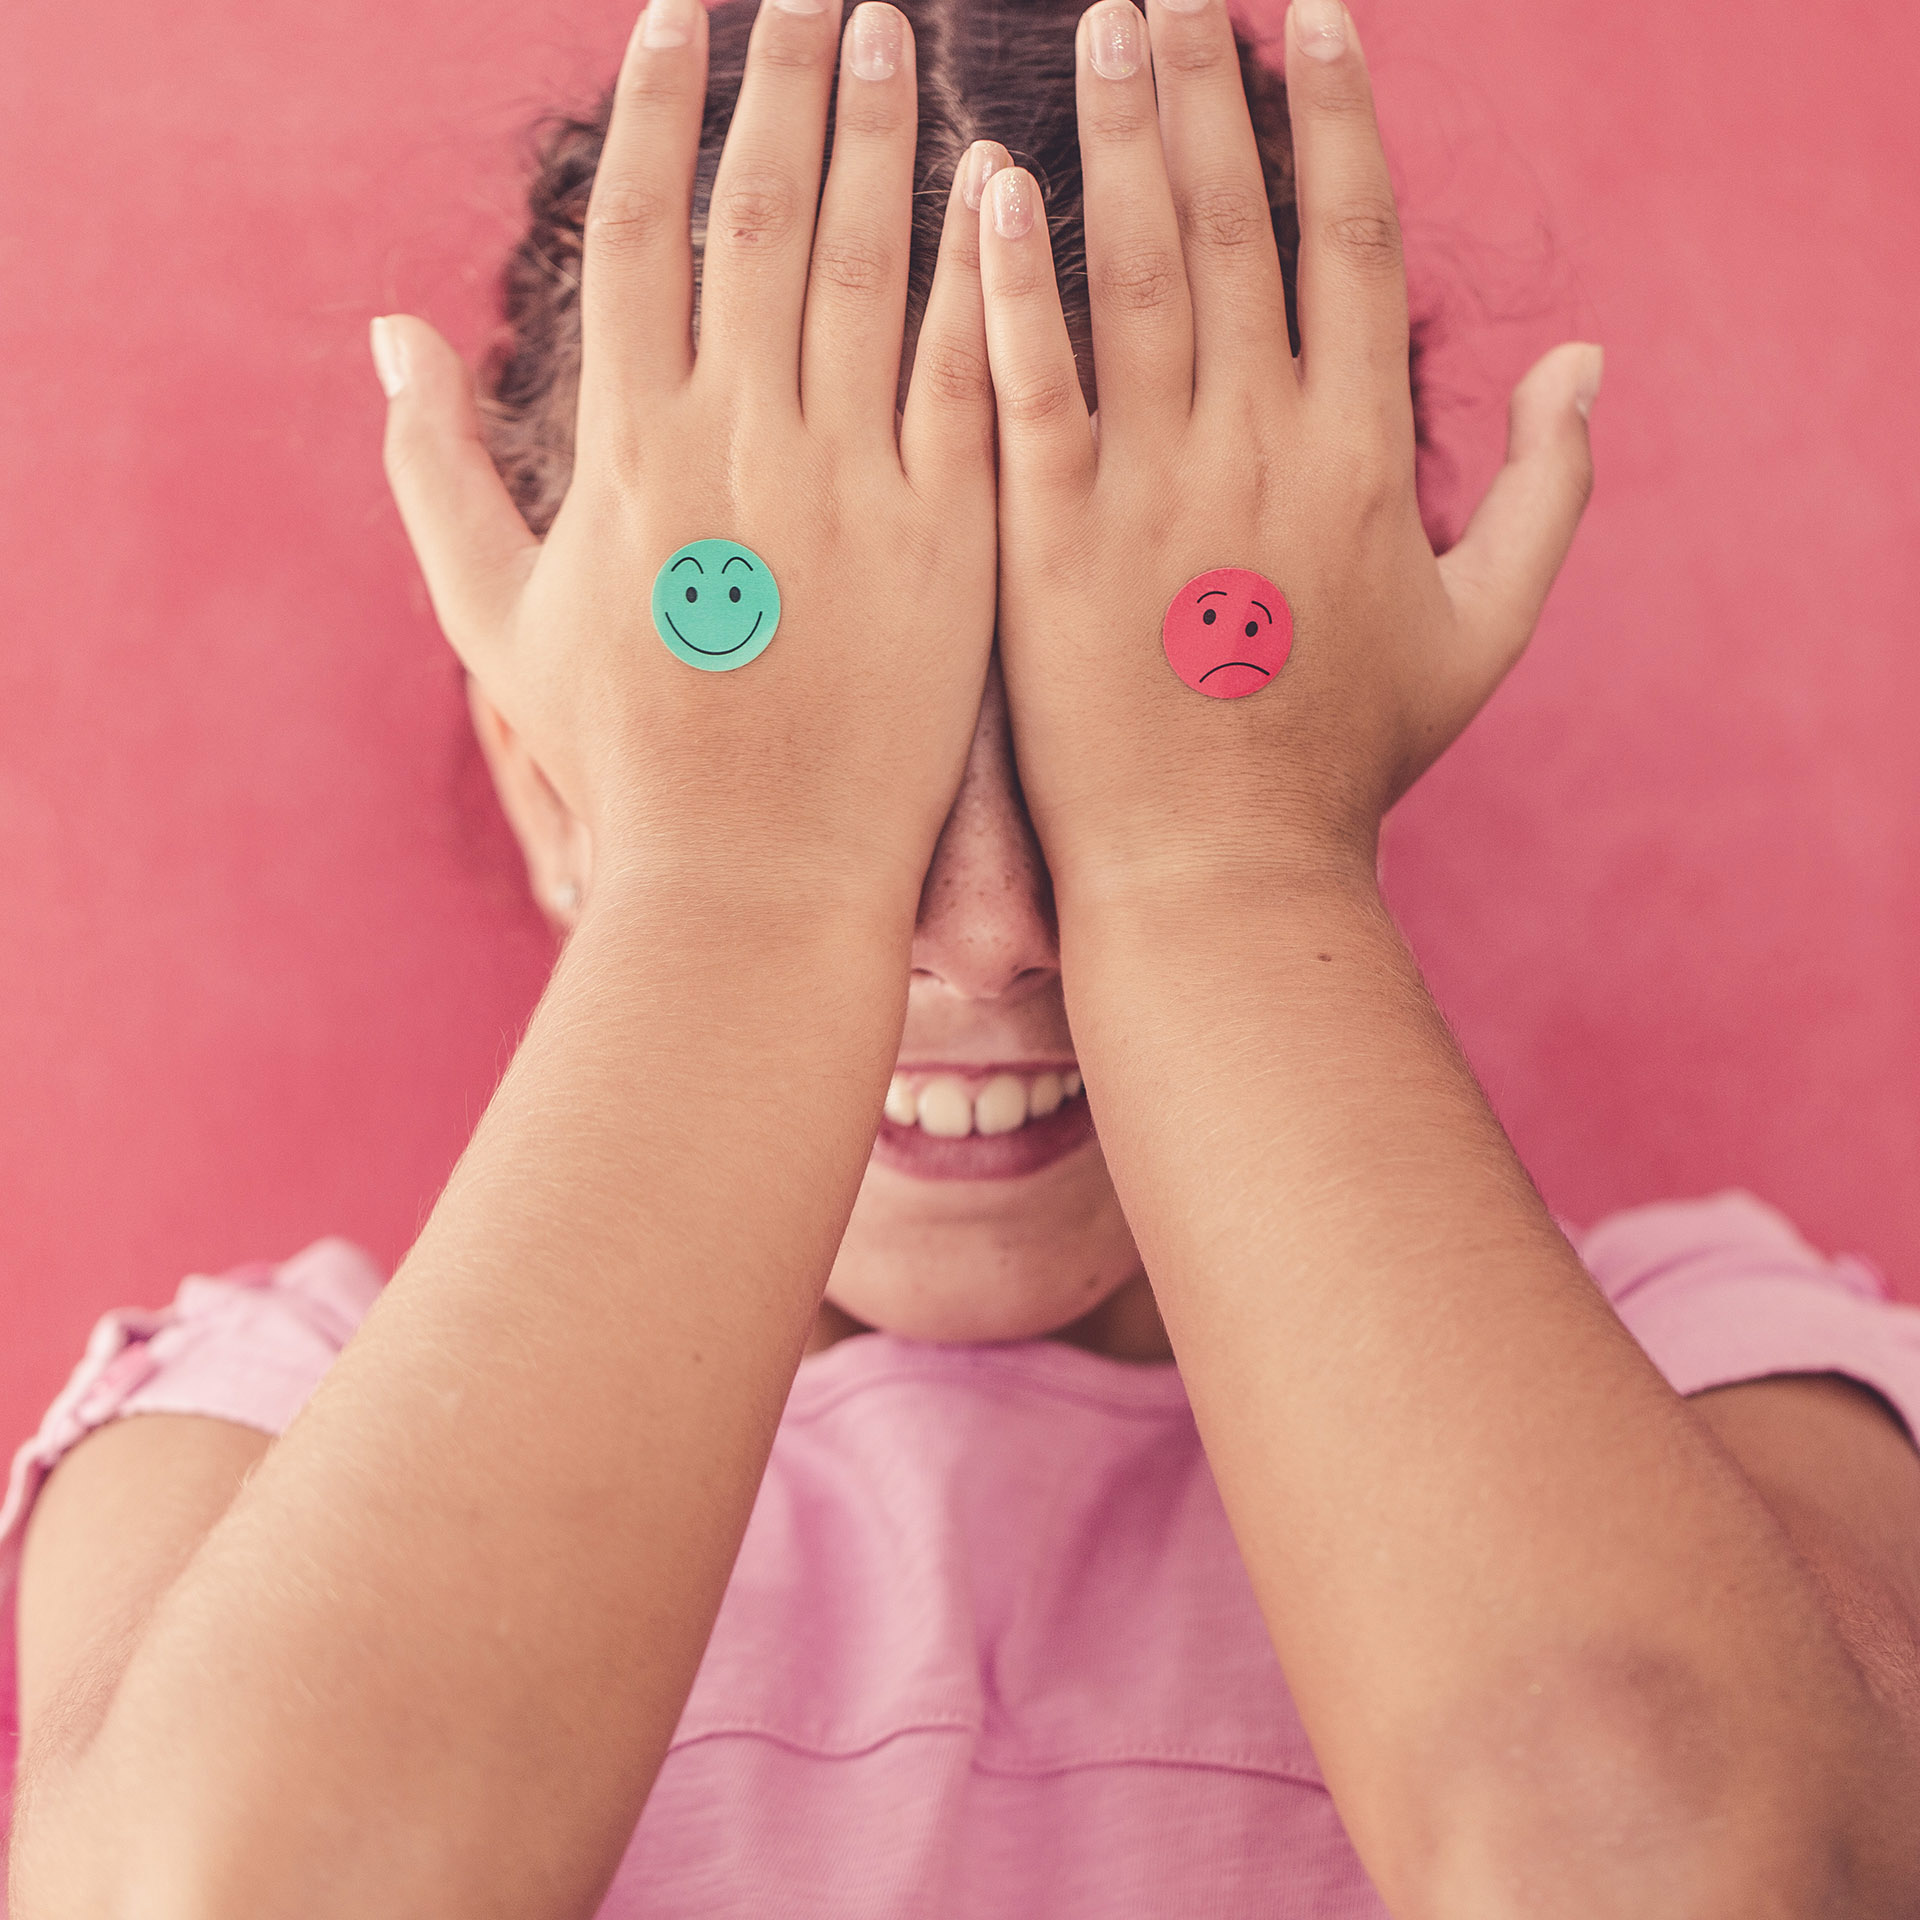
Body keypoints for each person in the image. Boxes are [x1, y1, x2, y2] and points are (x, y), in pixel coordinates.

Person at [6, 0, 1920, 1911]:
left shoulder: (1708, 1384)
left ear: (1362, 730)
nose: (994, 934)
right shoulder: (257, 1433)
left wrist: (1226, 868)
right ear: (543, 780)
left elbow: (1684, 1858)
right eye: (862, 772)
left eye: (1107, 762)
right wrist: (740, 885)